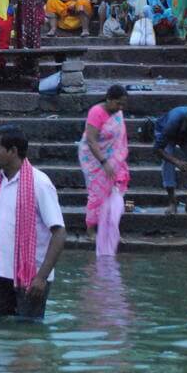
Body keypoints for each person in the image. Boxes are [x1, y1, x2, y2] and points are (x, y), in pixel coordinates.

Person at [0, 125, 66, 319]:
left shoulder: (40, 183)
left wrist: (41, 277)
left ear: (13, 151)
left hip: (31, 276)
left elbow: (59, 233)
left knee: (28, 334)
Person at [77, 85, 130, 255]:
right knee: (97, 194)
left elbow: (119, 139)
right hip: (93, 158)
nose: (120, 108)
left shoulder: (118, 113)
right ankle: (90, 231)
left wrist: (113, 161)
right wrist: (104, 162)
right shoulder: (96, 112)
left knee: (115, 195)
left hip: (113, 158)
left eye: (123, 104)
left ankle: (113, 231)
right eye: (118, 104)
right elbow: (92, 141)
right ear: (108, 99)